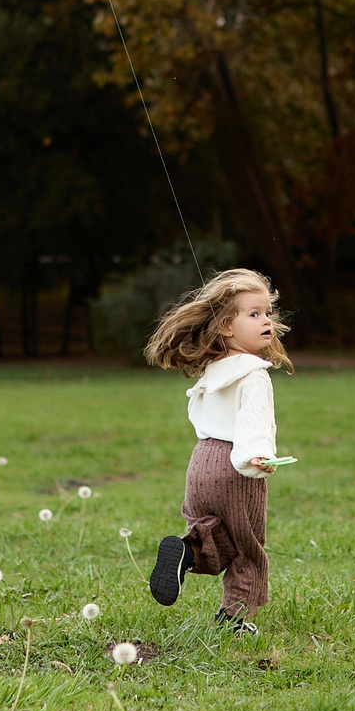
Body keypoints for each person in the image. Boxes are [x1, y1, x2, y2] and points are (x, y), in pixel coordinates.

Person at [142, 268, 288, 632]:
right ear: (226, 327)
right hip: (235, 467)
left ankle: (187, 552)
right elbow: (254, 419)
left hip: (201, 463)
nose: (266, 321)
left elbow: (199, 413)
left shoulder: (212, 369)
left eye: (268, 313)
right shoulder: (254, 374)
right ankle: (235, 617)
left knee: (214, 534)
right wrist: (255, 456)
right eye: (253, 314)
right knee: (247, 546)